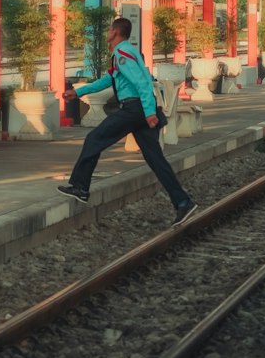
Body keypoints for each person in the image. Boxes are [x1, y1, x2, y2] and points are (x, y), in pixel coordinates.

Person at [57, 16, 198, 225]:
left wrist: (149, 112)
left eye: (109, 30)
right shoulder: (122, 53)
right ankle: (183, 202)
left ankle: (80, 186)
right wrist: (79, 92)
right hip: (139, 109)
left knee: (94, 139)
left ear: (115, 32)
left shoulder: (122, 53)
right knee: (156, 160)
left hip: (135, 109)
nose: (107, 33)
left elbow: (141, 82)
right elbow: (109, 80)